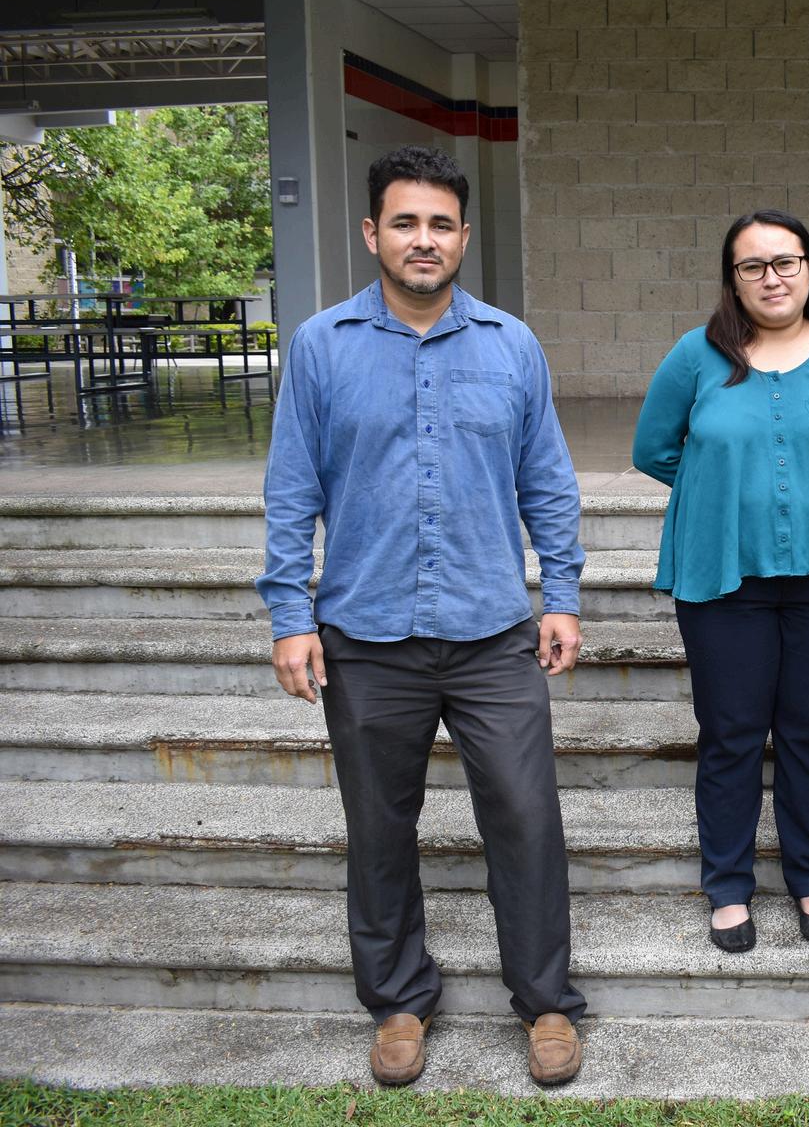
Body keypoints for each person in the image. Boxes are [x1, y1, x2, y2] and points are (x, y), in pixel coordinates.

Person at [257, 146, 586, 1087]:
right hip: (365, 637)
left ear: (464, 237)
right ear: (373, 233)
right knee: (378, 827)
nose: (423, 239)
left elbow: (548, 482)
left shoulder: (511, 345)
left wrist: (561, 594)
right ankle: (398, 1000)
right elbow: (291, 490)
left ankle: (546, 1001)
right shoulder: (322, 346)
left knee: (526, 817)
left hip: (492, 633)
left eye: (441, 223)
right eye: (405, 222)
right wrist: (290, 614)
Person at [632, 209, 809, 955]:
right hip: (723, 581)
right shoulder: (696, 355)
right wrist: (720, 491)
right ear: (734, 279)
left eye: (786, 262)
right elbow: (654, 449)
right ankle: (728, 885)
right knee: (731, 733)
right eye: (753, 266)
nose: (771, 278)